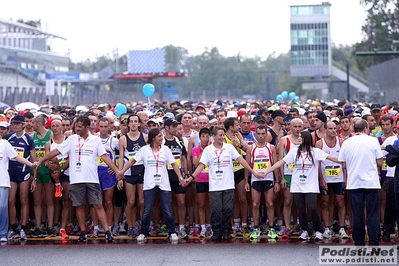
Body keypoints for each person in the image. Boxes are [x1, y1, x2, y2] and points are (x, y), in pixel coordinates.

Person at [37, 116, 121, 243]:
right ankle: (83, 231)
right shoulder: (71, 139)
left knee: (98, 205)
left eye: (80, 127)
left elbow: (105, 157)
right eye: (76, 126)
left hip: (92, 179)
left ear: (87, 127)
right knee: (79, 206)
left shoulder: (95, 140)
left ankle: (107, 232)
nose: (77, 129)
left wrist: (117, 171)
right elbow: (56, 152)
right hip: (76, 179)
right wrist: (41, 161)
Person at [184, 126, 264, 242]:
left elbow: (241, 160)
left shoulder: (229, 148)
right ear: (214, 136)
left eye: (223, 135)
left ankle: (226, 230)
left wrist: (253, 172)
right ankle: (216, 231)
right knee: (216, 209)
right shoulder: (208, 150)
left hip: (228, 184)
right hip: (215, 185)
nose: (222, 137)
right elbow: (201, 166)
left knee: (227, 209)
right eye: (220, 135)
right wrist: (191, 178)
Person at [264, 131, 340, 241]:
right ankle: (305, 230)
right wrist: (266, 171)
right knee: (300, 208)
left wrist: (346, 159)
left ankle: (319, 230)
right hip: (297, 185)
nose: (298, 138)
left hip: (311, 186)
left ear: (306, 139)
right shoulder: (294, 152)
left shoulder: (315, 152)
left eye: (300, 136)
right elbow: (281, 162)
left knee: (312, 207)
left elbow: (332, 158)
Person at [118, 127, 184, 242]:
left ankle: (172, 231)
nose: (162, 138)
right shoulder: (144, 150)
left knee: (167, 209)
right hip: (149, 183)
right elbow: (132, 161)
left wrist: (180, 178)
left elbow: (174, 164)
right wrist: (122, 172)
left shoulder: (166, 150)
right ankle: (144, 232)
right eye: (159, 136)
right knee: (147, 209)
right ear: (153, 138)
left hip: (163, 183)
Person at [338, 119, 383, 247]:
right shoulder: (373, 140)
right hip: (371, 182)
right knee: (372, 214)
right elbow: (380, 162)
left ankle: (359, 243)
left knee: (357, 215)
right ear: (365, 129)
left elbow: (343, 162)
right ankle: (374, 243)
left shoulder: (347, 142)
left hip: (354, 182)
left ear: (354, 129)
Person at [245, 125, 280, 240]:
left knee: (270, 204)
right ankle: (256, 228)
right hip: (256, 179)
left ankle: (271, 228)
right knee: (255, 204)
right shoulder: (251, 148)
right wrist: (246, 181)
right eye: (258, 134)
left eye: (262, 134)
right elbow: (247, 165)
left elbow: (275, 165)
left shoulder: (271, 147)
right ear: (255, 134)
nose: (260, 136)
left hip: (268, 178)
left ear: (266, 134)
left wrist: (277, 181)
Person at [0, 135, 37, 242]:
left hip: (2, 181)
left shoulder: (5, 143)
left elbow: (17, 157)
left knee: (2, 208)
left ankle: (2, 233)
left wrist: (31, 164)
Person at [315, 121, 348, 239]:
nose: (333, 131)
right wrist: (321, 179)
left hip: (338, 178)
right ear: (325, 129)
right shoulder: (320, 144)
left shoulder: (341, 142)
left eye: (335, 128)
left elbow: (344, 161)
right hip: (326, 178)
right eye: (330, 128)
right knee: (325, 203)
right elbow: (317, 163)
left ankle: (342, 227)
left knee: (340, 202)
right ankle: (327, 228)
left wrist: (345, 176)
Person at [191, 127, 212, 237]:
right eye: (203, 137)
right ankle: (203, 227)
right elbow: (195, 163)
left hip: (212, 179)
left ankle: (210, 225)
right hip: (200, 179)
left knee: (211, 204)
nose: (204, 139)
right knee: (201, 204)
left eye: (207, 137)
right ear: (199, 138)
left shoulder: (213, 148)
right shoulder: (195, 149)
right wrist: (203, 151)